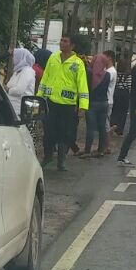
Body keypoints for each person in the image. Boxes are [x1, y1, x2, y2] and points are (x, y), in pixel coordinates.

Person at [36, 35, 89, 170]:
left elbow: (82, 85)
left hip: (68, 105)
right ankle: (48, 157)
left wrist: (83, 106)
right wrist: (39, 97)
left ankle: (61, 161)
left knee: (65, 134)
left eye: (65, 41)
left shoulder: (78, 63)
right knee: (49, 132)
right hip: (51, 102)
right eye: (61, 40)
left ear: (72, 46)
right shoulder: (53, 58)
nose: (61, 43)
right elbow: (45, 78)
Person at [82, 49, 117, 157]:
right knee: (102, 128)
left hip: (92, 103)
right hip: (104, 103)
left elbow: (86, 86)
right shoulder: (107, 75)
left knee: (90, 128)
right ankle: (100, 150)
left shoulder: (89, 73)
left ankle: (87, 151)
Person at [5, 47, 36, 116]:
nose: (13, 59)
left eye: (15, 56)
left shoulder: (27, 71)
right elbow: (9, 85)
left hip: (20, 109)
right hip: (13, 107)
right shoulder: (17, 71)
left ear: (20, 57)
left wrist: (8, 90)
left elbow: (19, 90)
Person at [110, 54, 133, 134]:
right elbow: (130, 86)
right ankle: (120, 129)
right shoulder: (128, 75)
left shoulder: (116, 73)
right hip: (124, 94)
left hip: (116, 93)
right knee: (123, 112)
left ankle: (113, 124)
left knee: (115, 110)